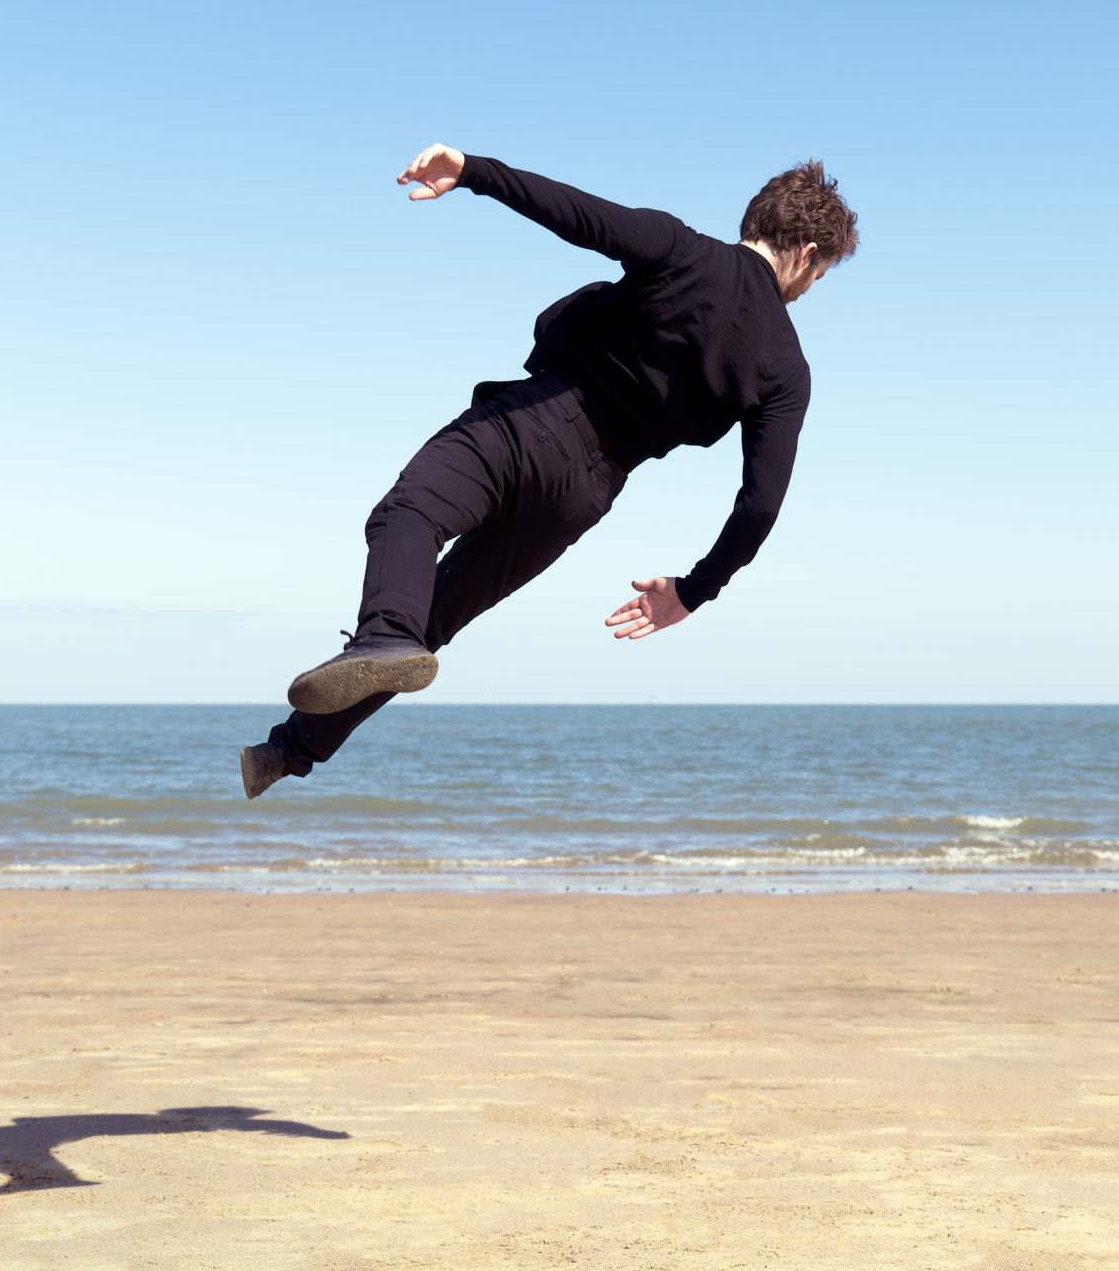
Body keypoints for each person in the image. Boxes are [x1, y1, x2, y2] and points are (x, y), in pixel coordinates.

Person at [239, 143, 857, 798]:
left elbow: (578, 215)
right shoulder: (788, 370)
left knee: (409, 513)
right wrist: (692, 590)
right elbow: (759, 506)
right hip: (585, 496)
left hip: (536, 423)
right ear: (808, 254)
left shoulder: (685, 250)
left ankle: (380, 638)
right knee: (435, 620)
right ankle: (287, 751)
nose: (808, 290)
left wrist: (474, 172)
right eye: (818, 279)